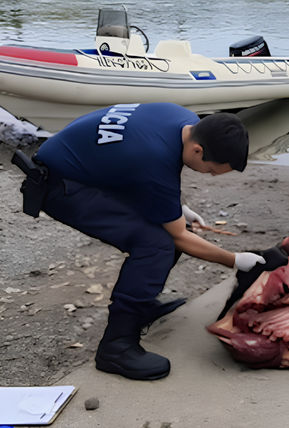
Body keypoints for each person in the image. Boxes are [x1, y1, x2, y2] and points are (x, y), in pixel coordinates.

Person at [15, 102, 265, 381]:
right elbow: (177, 233)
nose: (210, 175)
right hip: (60, 185)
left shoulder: (183, 118)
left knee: (165, 233)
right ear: (197, 150)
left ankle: (141, 307)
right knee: (156, 244)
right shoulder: (154, 156)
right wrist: (234, 260)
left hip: (84, 164)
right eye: (210, 171)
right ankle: (116, 346)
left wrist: (177, 208)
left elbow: (134, 165)